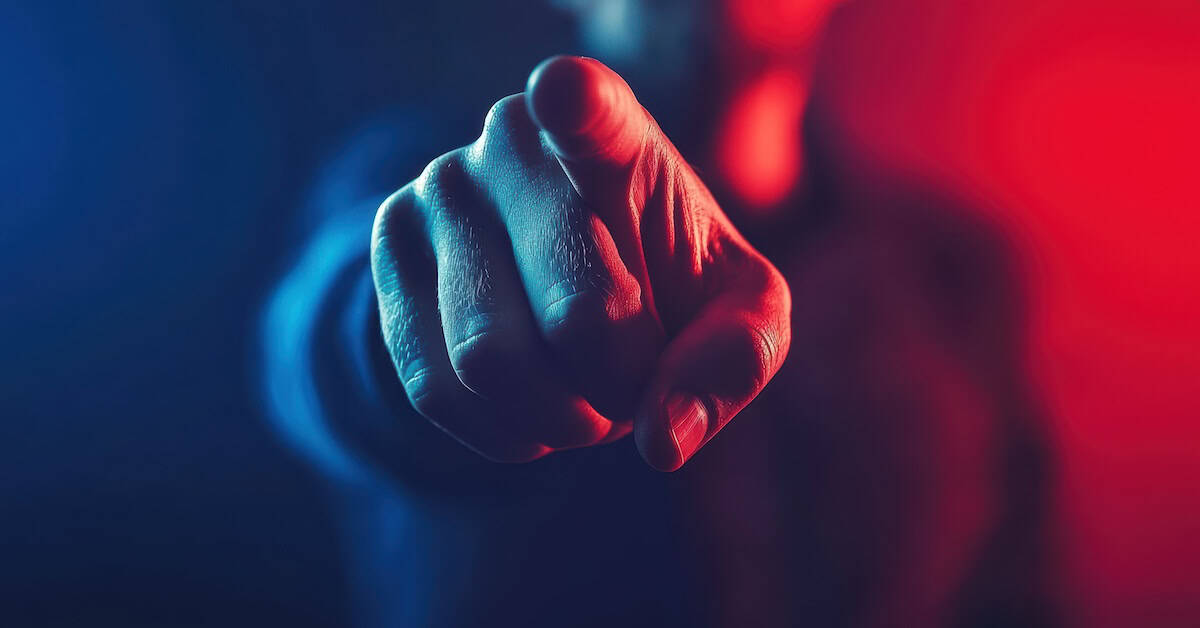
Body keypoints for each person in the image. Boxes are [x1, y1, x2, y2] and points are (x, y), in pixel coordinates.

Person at [262, 1, 1057, 625]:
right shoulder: (411, 177)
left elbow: (1016, 586)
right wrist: (400, 329)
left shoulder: (956, 268)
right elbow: (320, 340)